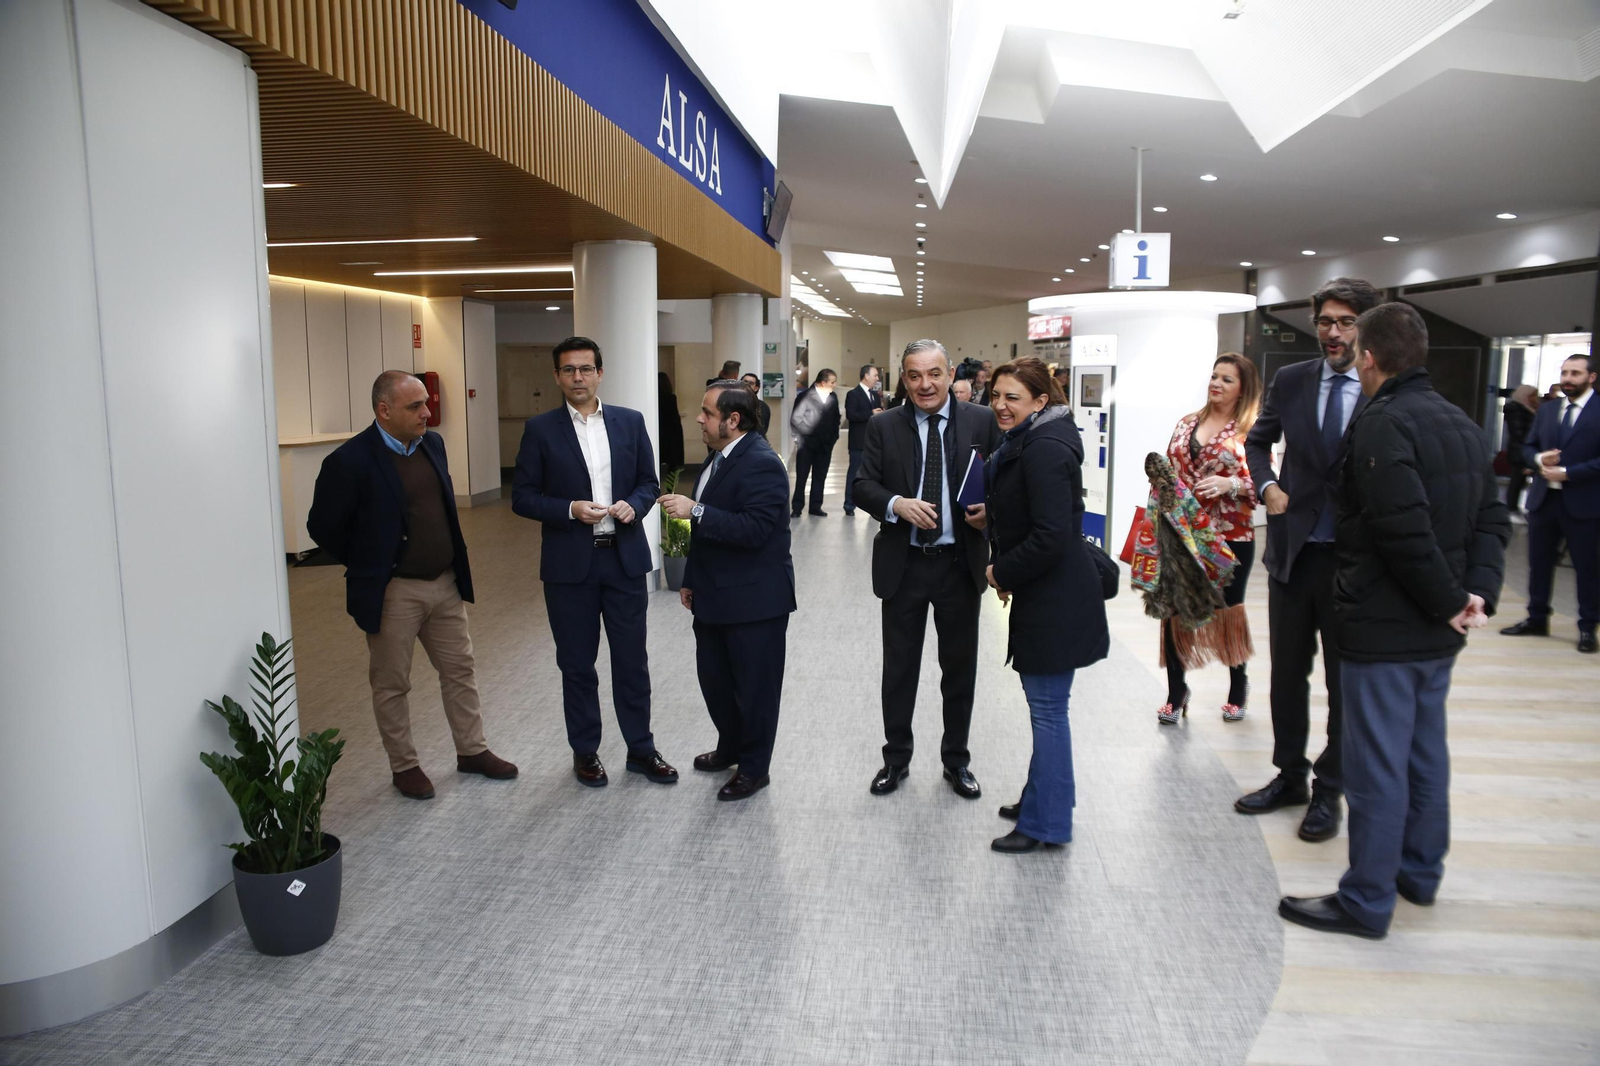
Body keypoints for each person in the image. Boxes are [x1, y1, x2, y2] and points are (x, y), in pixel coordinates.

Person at [1279, 302, 1509, 939]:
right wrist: (1474, 597)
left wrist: (1448, 600)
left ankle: (1367, 899)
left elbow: (1401, 531)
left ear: (1369, 356)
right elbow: (1492, 521)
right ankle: (1418, 872)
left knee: (1378, 765)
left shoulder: (1383, 422)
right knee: (1423, 754)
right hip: (1440, 629)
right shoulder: (1461, 422)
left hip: (1388, 627)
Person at [306, 371, 518, 800]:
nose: (427, 412)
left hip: (444, 583)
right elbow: (322, 527)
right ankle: (404, 765)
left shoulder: (432, 445)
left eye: (425, 403)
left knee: (460, 671)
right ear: (384, 411)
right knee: (392, 682)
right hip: (393, 592)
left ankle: (471, 750)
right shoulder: (350, 461)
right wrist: (370, 562)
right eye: (415, 406)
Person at [1238, 276, 1380, 843]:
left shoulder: (1380, 387)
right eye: (1325, 321)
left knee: (1345, 684)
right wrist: (1266, 484)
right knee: (1287, 675)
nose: (1333, 332)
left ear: (1364, 328)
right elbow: (1256, 441)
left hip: (1354, 560)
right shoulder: (1294, 380)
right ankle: (1289, 774)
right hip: (1294, 552)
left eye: (1346, 322)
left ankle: (1331, 789)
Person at [511, 337, 677, 788]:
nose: (578, 378)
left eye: (585, 369)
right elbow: (522, 497)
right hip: (569, 568)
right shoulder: (540, 429)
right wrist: (568, 509)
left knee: (631, 662)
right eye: (569, 370)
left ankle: (641, 749)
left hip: (622, 561)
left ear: (600, 373)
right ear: (557, 376)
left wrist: (635, 505)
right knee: (577, 664)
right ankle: (585, 752)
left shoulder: (629, 421)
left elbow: (649, 480)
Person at [853, 339, 1003, 799]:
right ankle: (895, 759)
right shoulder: (883, 426)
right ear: (903, 377)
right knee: (899, 669)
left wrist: (988, 514)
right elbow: (862, 485)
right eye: (914, 375)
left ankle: (956, 761)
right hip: (905, 566)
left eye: (934, 374)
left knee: (959, 671)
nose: (925, 384)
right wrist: (896, 503)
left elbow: (1005, 486)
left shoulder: (982, 421)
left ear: (950, 372)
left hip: (961, 567)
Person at [983, 358, 1109, 853]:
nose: (999, 405)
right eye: (995, 395)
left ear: (1041, 401)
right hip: (1048, 593)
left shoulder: (1043, 448)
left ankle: (1047, 823)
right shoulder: (1031, 441)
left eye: (1012, 397)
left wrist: (1001, 570)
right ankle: (1044, 797)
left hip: (1055, 599)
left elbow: (1052, 535)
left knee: (1049, 712)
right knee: (1048, 709)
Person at [658, 381, 796, 801]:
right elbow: (706, 534)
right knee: (715, 682)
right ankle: (731, 746)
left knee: (755, 690)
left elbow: (754, 529)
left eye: (707, 412)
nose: (699, 419)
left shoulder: (762, 463)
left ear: (732, 421)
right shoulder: (717, 457)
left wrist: (694, 509)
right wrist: (690, 577)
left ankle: (755, 769)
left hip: (755, 601)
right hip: (714, 593)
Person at [1155, 353, 1262, 723]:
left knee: (1226, 611)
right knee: (1173, 608)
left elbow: (1268, 484)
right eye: (1215, 376)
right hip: (1181, 532)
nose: (1216, 383)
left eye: (1227, 379)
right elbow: (1167, 470)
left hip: (1231, 535)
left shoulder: (1252, 429)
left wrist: (1230, 483)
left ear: (1243, 389)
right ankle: (1176, 691)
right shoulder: (1186, 423)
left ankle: (1238, 686)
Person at [1500, 353, 1599, 653]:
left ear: (1591, 377)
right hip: (1544, 501)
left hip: (1584, 503)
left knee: (1587, 568)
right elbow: (1528, 446)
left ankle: (1586, 628)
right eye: (1565, 372)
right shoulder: (1548, 410)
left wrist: (1569, 473)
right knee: (1539, 564)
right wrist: (1540, 459)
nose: (1568, 379)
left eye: (1576, 373)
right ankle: (1536, 619)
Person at [789, 368, 840, 517]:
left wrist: (833, 438)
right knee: (802, 476)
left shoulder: (833, 397)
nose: (834, 385)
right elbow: (796, 419)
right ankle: (797, 507)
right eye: (832, 382)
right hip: (807, 445)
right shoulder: (805, 397)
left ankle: (815, 506)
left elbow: (836, 418)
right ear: (823, 382)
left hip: (825, 445)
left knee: (820, 476)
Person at [843, 364, 883, 516]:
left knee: (875, 475)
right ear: (866, 376)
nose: (877, 378)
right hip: (858, 443)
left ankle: (873, 504)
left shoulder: (875, 395)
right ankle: (849, 504)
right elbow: (851, 415)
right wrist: (871, 413)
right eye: (875, 375)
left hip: (873, 443)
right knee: (854, 473)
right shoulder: (853, 394)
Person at [1501, 384, 1539, 514]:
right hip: (1520, 451)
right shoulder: (1516, 410)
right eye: (1533, 395)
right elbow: (1518, 433)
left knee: (1521, 480)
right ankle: (1511, 507)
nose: (1536, 398)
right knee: (1517, 480)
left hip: (1527, 449)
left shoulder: (1531, 409)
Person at [657, 371, 685, 483]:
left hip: (659, 434)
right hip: (671, 436)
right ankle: (670, 491)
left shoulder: (653, 400)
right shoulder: (671, 398)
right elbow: (675, 420)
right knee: (673, 467)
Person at [740, 372, 772, 437]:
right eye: (745, 382)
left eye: (751, 383)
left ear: (756, 388)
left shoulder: (762, 406)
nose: (747, 385)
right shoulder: (733, 402)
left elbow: (762, 429)